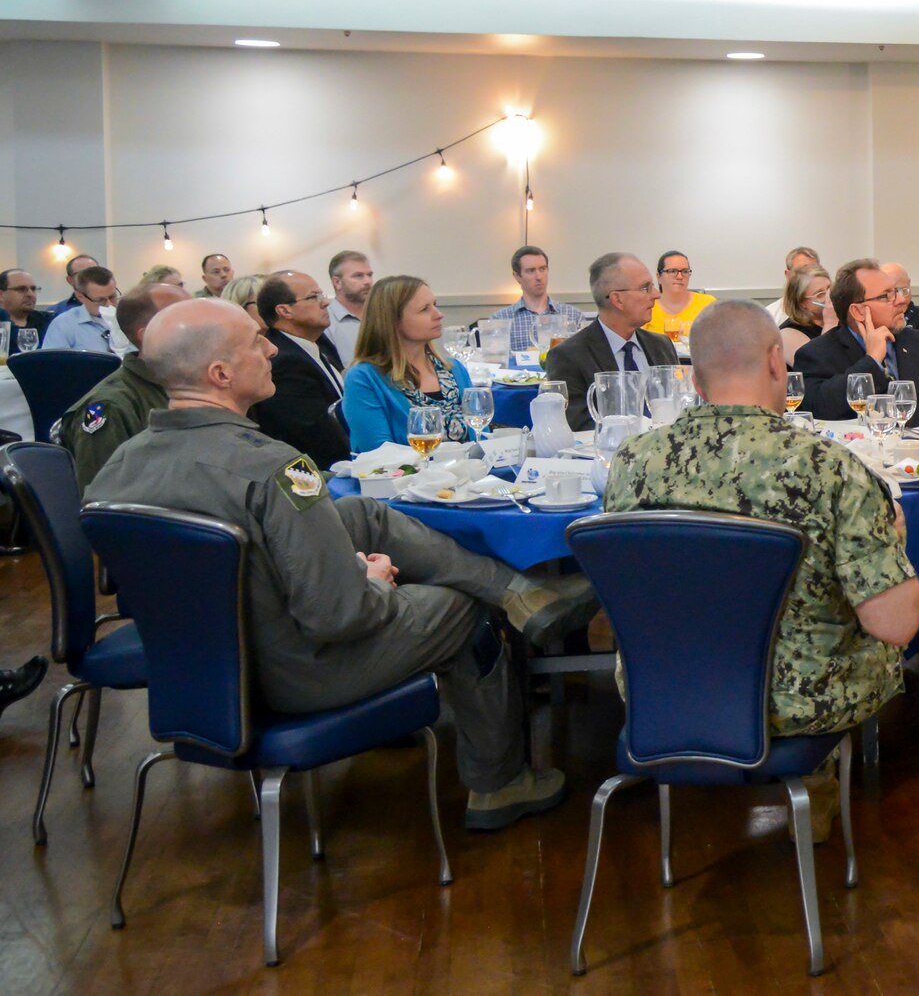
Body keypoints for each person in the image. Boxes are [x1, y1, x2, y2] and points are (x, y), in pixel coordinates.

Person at [88, 300, 591, 830]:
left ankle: (521, 593)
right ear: (220, 374)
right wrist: (370, 581)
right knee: (463, 607)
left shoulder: (119, 467)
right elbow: (338, 616)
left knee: (359, 513)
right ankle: (500, 782)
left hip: (196, 669)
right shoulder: (272, 469)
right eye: (257, 342)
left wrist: (330, 560)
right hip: (294, 672)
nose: (271, 350)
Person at [604, 301, 919, 839]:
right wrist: (893, 538)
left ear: (695, 378)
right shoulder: (828, 467)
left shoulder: (632, 462)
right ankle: (816, 790)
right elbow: (896, 625)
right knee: (849, 621)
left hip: (663, 692)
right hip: (799, 702)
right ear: (778, 362)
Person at [796, 259, 919, 427]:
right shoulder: (817, 354)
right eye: (886, 296)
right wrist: (871, 360)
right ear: (858, 311)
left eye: (897, 292)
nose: (901, 301)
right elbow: (819, 412)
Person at [54, 281, 190, 488]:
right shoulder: (111, 407)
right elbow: (104, 501)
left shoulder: (196, 385)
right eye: (188, 318)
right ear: (150, 335)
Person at [341, 275, 475, 451]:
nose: (439, 315)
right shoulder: (364, 378)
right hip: (406, 477)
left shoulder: (455, 369)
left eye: (435, 305)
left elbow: (479, 438)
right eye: (424, 309)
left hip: (469, 475)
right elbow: (377, 454)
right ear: (393, 321)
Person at [544, 253, 676, 432]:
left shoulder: (661, 346)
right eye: (645, 288)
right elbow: (579, 427)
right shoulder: (569, 356)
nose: (656, 295)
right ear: (617, 299)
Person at [251, 271, 350, 467]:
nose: (325, 302)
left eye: (322, 295)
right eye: (314, 297)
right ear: (285, 311)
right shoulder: (282, 361)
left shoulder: (318, 343)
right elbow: (316, 436)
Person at [482, 245, 587, 352]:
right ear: (517, 276)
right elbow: (495, 362)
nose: (539, 277)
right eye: (531, 271)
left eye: (542, 269)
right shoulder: (500, 320)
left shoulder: (573, 316)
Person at [42, 267, 126, 354]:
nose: (109, 305)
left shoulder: (129, 320)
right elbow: (53, 364)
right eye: (100, 300)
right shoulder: (63, 325)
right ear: (80, 297)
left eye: (113, 297)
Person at [642, 250, 714, 347]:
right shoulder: (647, 306)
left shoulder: (707, 304)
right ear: (658, 276)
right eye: (672, 271)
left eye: (685, 271)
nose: (680, 276)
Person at [778, 264, 833, 366]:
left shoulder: (842, 321)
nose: (829, 297)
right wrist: (830, 323)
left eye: (830, 289)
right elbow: (820, 367)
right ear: (801, 302)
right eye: (820, 294)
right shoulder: (787, 334)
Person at [325, 250, 373, 367]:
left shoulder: (382, 314)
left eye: (370, 275)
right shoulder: (325, 323)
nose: (368, 281)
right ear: (337, 282)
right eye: (358, 276)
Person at [882, 262, 919, 340]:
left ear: (909, 284)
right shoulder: (877, 318)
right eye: (891, 293)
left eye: (904, 291)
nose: (901, 299)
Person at [2, 268, 54, 357]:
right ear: (1, 294)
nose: (30, 294)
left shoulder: (49, 322)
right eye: (21, 289)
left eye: (33, 289)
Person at [765, 245, 822, 322]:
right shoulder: (770, 315)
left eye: (814, 270)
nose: (810, 276)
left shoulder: (829, 309)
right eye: (803, 271)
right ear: (788, 275)